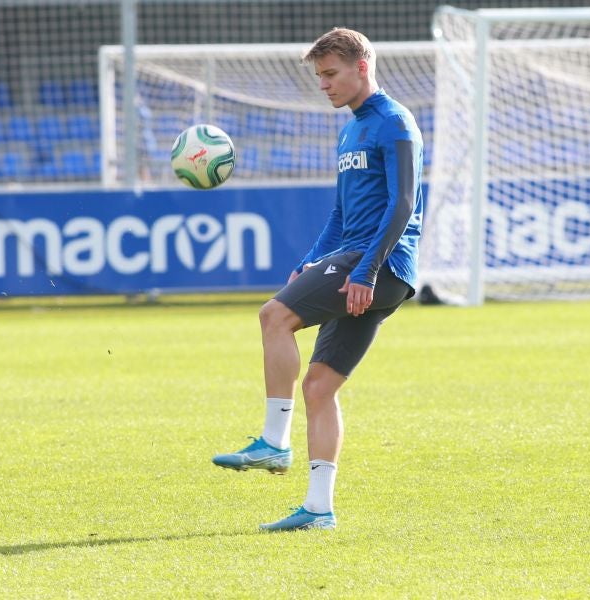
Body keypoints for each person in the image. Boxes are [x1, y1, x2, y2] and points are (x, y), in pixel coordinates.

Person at [212, 27, 424, 531]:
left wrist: (367, 269)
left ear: (362, 67)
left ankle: (274, 443)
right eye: (320, 76)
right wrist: (310, 261)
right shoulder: (351, 128)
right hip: (361, 263)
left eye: (331, 74)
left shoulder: (394, 123)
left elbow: (404, 204)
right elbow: (340, 212)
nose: (323, 85)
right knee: (319, 387)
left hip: (379, 264)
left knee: (273, 316)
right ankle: (318, 509)